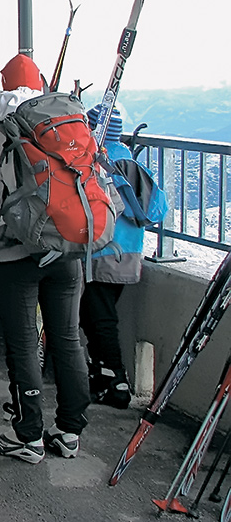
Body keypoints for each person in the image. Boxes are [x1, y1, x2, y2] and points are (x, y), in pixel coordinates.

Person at [0, 53, 90, 464]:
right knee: (68, 337)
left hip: (18, 252)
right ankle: (69, 432)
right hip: (67, 247)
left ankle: (30, 437)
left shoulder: (0, 132)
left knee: (23, 343)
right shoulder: (63, 122)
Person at [81, 103, 164, 410]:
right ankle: (103, 375)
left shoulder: (92, 162)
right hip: (130, 255)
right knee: (96, 316)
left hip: (99, 252)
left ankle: (115, 381)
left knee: (99, 319)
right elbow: (157, 209)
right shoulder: (133, 163)